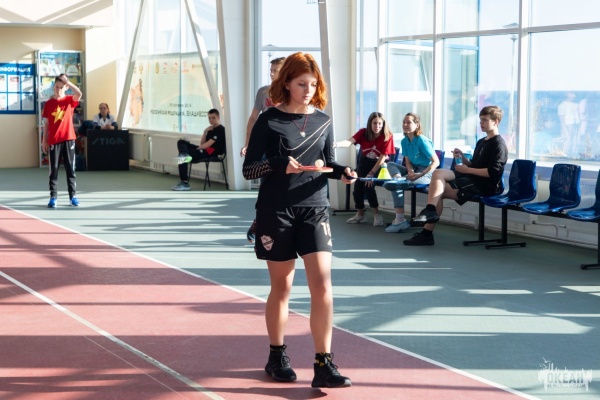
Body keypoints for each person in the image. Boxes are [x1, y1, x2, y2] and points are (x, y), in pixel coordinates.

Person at [242, 52, 355, 389]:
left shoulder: (323, 121)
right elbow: (249, 169)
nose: (308, 90)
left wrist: (342, 172)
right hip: (276, 210)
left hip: (315, 209)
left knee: (323, 286)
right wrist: (279, 163)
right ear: (287, 83)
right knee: (283, 287)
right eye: (302, 84)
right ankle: (277, 355)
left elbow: (327, 163)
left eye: (313, 84)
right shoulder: (269, 119)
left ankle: (324, 363)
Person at [404, 105, 508, 246]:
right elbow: (474, 165)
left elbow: (492, 173)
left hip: (484, 185)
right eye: (480, 120)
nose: (481, 123)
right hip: (471, 178)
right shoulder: (481, 142)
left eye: (485, 120)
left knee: (436, 193)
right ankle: (430, 212)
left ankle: (427, 231)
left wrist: (467, 170)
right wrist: (463, 158)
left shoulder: (499, 145)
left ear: (495, 121)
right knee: (438, 174)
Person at [242, 56, 286, 244]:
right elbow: (253, 119)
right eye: (271, 70)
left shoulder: (290, 92)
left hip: (285, 148)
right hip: (265, 147)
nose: (272, 74)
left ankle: (267, 224)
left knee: (283, 191)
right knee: (266, 188)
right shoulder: (263, 92)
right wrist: (248, 143)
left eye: (276, 70)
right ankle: (258, 223)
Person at [381, 112, 440, 232]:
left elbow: (436, 162)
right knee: (390, 164)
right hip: (414, 171)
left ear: (417, 125)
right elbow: (407, 161)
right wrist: (410, 171)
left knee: (397, 185)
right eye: (404, 122)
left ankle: (399, 220)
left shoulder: (422, 141)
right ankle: (398, 179)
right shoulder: (404, 141)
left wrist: (420, 174)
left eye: (408, 122)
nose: (405, 124)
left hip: (427, 173)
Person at [335, 112, 395, 226]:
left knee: (368, 186)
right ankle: (360, 215)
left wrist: (371, 173)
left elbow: (382, 157)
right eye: (374, 123)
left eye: (380, 123)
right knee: (357, 189)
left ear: (383, 124)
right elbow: (349, 142)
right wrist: (335, 144)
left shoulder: (388, 136)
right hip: (364, 163)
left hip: (379, 165)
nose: (377, 126)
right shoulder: (363, 132)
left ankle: (377, 214)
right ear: (370, 124)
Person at [42, 74, 83, 208]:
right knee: (53, 169)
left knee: (70, 168)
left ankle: (73, 197)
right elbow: (46, 124)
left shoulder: (70, 100)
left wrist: (68, 82)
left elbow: (79, 93)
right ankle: (53, 197)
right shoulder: (48, 104)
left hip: (69, 139)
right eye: (56, 87)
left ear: (65, 88)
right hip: (54, 141)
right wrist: (44, 140)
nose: (58, 90)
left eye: (61, 87)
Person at [171, 108, 226, 191]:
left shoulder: (221, 130)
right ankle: (184, 154)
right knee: (181, 142)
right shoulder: (210, 129)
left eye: (213, 118)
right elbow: (202, 143)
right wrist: (205, 132)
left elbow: (207, 144)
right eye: (209, 118)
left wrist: (196, 149)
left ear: (218, 117)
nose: (211, 120)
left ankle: (185, 183)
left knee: (182, 158)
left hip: (211, 152)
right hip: (204, 150)